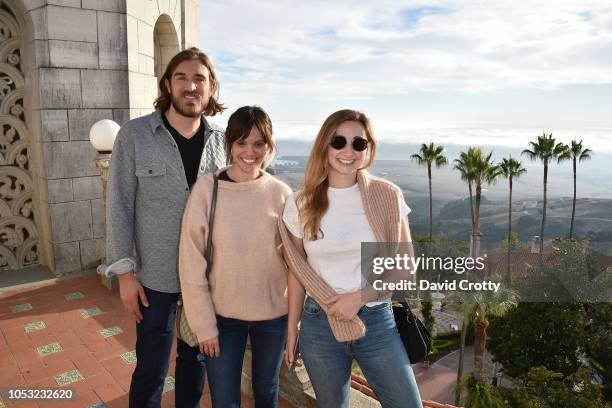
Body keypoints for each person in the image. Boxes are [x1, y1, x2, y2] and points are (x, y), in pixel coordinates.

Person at [102, 48, 226, 408]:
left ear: (211, 87)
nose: (191, 86)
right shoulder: (134, 135)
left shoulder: (222, 141)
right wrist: (124, 273)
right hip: (155, 280)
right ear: (168, 85)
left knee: (195, 363)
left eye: (199, 79)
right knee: (152, 368)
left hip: (205, 279)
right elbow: (119, 205)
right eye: (182, 77)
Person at [280, 109, 423, 408]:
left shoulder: (387, 196)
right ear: (325, 145)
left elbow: (405, 265)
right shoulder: (300, 202)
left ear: (368, 149)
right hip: (319, 324)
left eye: (358, 144)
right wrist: (292, 328)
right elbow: (297, 271)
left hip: (376, 321)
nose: (348, 151)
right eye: (339, 141)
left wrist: (358, 297)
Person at [179, 106, 292, 408]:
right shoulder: (207, 190)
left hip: (273, 318)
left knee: (267, 392)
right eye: (241, 142)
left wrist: (295, 321)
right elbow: (191, 263)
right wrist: (204, 326)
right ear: (229, 144)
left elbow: (296, 263)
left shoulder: (281, 193)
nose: (250, 152)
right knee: (225, 399)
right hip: (222, 318)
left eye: (259, 143)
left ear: (269, 146)